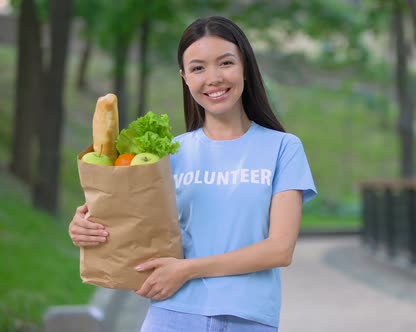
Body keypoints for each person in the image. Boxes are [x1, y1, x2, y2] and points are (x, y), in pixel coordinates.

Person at [68, 15, 317, 332]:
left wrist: (187, 270)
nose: (213, 77)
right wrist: (86, 228)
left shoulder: (283, 148)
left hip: (249, 320)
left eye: (225, 63)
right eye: (198, 68)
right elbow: (133, 227)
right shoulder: (166, 155)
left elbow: (280, 249)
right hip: (172, 315)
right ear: (185, 78)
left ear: (245, 68)